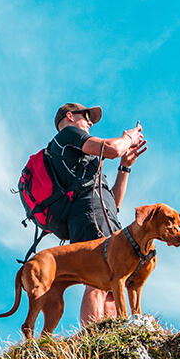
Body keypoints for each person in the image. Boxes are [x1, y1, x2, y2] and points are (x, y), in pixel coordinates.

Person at [46, 102, 147, 325]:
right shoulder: (68, 135)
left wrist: (125, 167)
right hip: (87, 215)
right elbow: (112, 149)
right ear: (70, 117)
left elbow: (114, 203)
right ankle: (93, 337)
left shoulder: (83, 159)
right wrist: (129, 138)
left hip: (102, 217)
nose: (91, 122)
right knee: (98, 278)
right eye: (87, 116)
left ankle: (111, 337)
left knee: (112, 282)